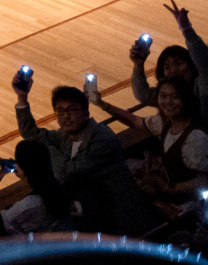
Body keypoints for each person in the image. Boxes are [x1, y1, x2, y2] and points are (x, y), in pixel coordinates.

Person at [12, 77, 155, 234]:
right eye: (60, 111)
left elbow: (70, 172)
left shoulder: (101, 138)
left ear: (86, 112)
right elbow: (31, 134)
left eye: (72, 110)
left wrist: (48, 150)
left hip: (123, 216)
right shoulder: (65, 136)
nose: (66, 116)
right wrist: (22, 98)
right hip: (96, 217)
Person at [95, 77, 208, 219]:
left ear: (186, 99)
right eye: (163, 96)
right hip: (174, 193)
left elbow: (204, 182)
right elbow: (134, 120)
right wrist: (102, 104)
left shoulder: (196, 137)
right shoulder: (166, 123)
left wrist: (168, 188)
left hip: (192, 205)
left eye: (175, 97)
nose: (168, 102)